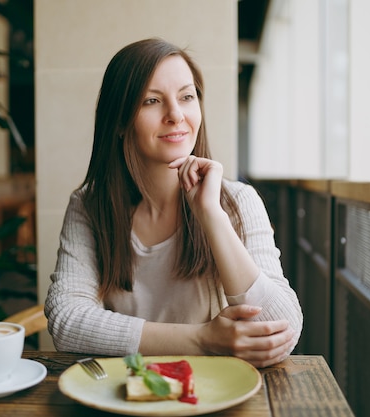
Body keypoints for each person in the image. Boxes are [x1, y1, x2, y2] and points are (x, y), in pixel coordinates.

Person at [44, 38, 303, 368]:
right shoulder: (89, 207)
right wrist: (202, 339)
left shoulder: (237, 201)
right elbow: (67, 322)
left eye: (186, 97)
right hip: (127, 395)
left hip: (215, 393)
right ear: (121, 122)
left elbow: (283, 330)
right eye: (152, 100)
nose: (176, 115)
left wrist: (211, 214)